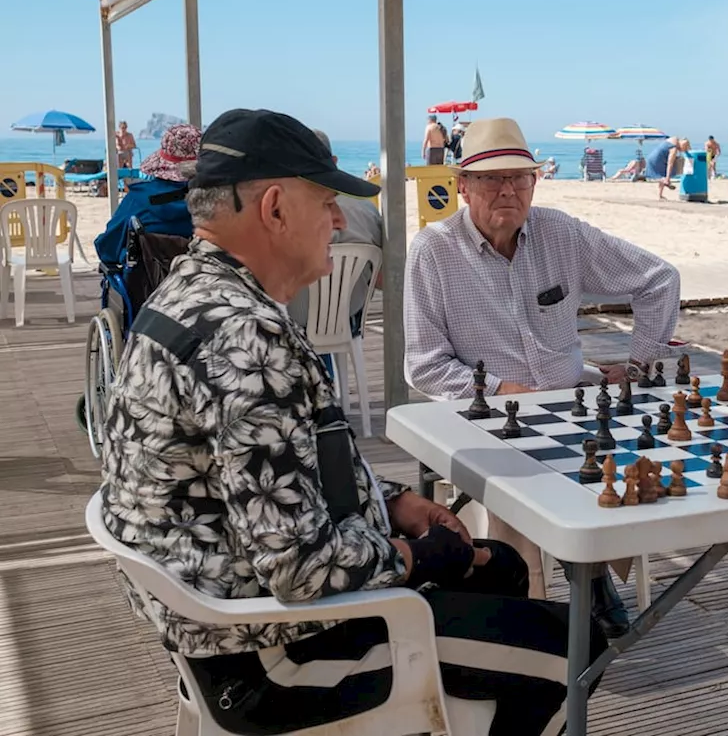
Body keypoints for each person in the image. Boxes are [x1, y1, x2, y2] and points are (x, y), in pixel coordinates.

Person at [99, 108, 605, 736]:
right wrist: (414, 556)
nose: (339, 222)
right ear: (276, 208)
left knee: (499, 565)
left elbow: (278, 473)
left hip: (223, 604)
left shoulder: (188, 293)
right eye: (329, 202)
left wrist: (391, 504)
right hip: (270, 654)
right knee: (574, 648)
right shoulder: (244, 340)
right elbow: (301, 570)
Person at [404, 117, 681, 636]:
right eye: (490, 179)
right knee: (519, 490)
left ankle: (593, 570)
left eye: (519, 177)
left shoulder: (561, 232)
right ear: (462, 186)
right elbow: (423, 364)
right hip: (486, 414)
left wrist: (641, 364)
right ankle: (535, 611)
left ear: (535, 182)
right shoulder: (433, 251)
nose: (506, 189)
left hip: (570, 397)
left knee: (640, 454)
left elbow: (659, 279)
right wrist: (501, 390)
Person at [287, 128, 384, 335]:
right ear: (334, 160)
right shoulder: (367, 210)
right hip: (346, 320)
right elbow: (384, 279)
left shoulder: (287, 216)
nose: (338, 220)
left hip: (294, 321)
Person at [94, 122, 199, 267]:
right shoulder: (217, 204)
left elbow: (108, 249)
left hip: (146, 286)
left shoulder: (137, 200)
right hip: (203, 283)